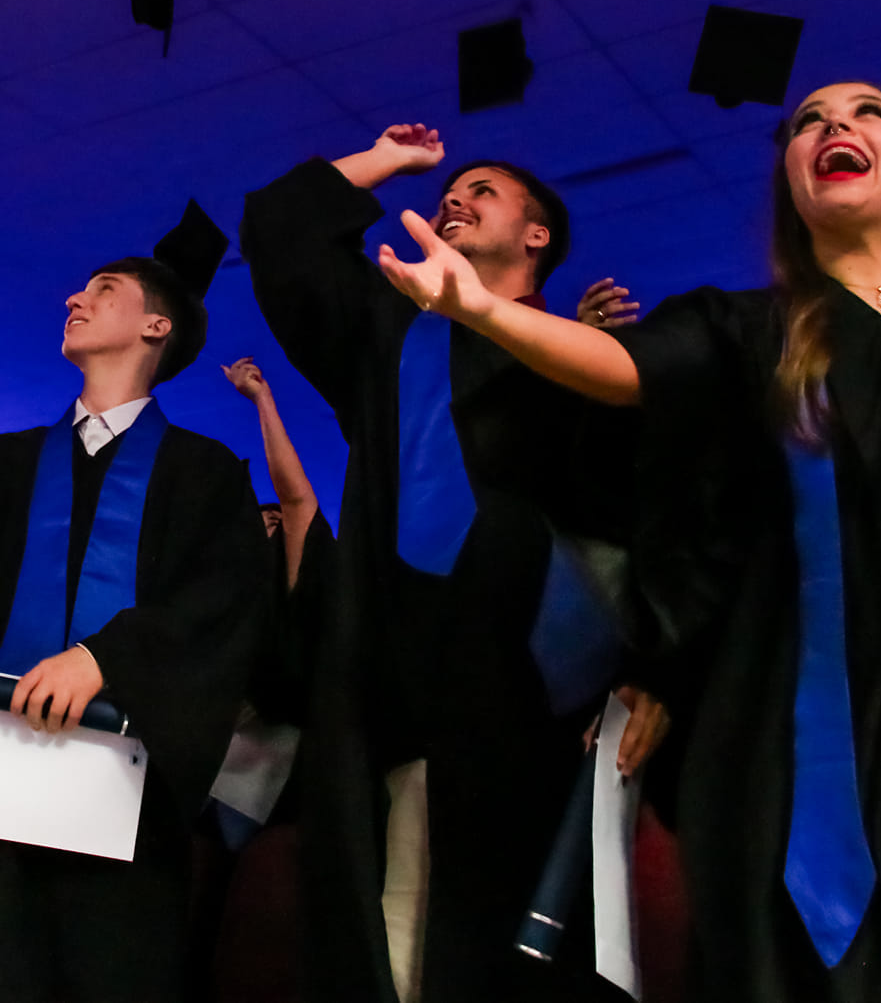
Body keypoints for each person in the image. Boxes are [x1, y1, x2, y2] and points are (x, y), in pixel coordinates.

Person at [373, 83, 881, 1001]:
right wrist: (487, 312)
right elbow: (632, 370)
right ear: (792, 181)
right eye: (808, 122)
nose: (835, 127)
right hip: (815, 736)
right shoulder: (747, 332)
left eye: (868, 113)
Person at [241, 128, 667, 1003]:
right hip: (377, 681)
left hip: (528, 693)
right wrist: (384, 161)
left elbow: (636, 527)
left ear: (537, 235)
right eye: (452, 188)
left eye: (485, 190)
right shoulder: (387, 332)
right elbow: (281, 230)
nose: (456, 197)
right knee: (382, 941)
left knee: (509, 952)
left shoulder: (570, 360)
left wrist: (647, 668)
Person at [0, 210, 270, 1003]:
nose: (76, 297)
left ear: (156, 325)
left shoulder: (206, 475)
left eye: (103, 289)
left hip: (125, 797)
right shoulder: (3, 465)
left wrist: (106, 657)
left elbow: (225, 605)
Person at [187, 357, 327, 1003]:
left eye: (272, 524)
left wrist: (261, 399)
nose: (266, 526)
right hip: (192, 759)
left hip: (266, 773)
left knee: (239, 921)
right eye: (258, 521)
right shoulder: (217, 590)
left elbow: (299, 501)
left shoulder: (294, 594)